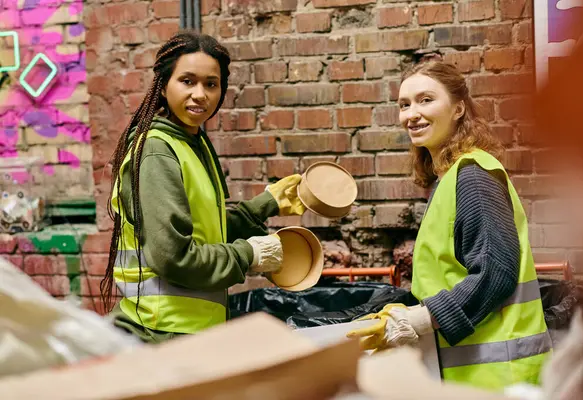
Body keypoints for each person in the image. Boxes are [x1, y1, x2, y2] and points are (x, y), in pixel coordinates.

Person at [347, 61, 552, 391]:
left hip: (499, 380)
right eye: (404, 104)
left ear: (458, 109)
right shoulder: (450, 178)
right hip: (476, 379)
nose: (411, 114)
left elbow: (496, 271)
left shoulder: (472, 176)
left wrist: (426, 317)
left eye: (426, 100)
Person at [99, 31, 305, 343]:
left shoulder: (193, 142)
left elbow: (207, 231)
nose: (200, 94)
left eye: (211, 84)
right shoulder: (157, 150)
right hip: (160, 332)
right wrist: (249, 254)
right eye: (187, 81)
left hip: (189, 331)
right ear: (164, 85)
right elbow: (173, 258)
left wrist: (267, 203)